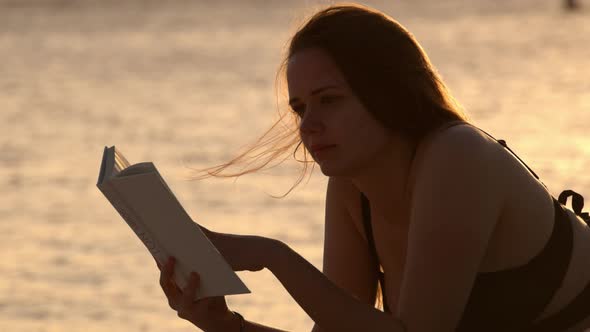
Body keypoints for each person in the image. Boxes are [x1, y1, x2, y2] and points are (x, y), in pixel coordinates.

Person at [156, 3, 590, 332]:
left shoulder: (457, 157)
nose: (309, 125)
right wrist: (225, 324)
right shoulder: (352, 184)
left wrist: (271, 255)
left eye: (329, 100)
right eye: (300, 108)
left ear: (388, 91)